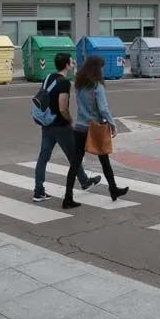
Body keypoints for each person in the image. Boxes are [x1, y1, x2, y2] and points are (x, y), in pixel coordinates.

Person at [32, 52, 100, 202]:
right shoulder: (64, 83)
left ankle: (38, 190)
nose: (73, 63)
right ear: (67, 65)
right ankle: (84, 182)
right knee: (74, 156)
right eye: (72, 61)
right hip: (61, 126)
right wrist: (70, 121)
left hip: (47, 124)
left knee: (43, 157)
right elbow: (63, 107)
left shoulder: (49, 77)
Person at [63, 55, 129, 209]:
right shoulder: (96, 86)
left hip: (79, 127)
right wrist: (112, 124)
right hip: (94, 128)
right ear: (97, 69)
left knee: (75, 164)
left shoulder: (79, 84)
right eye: (101, 68)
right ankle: (113, 189)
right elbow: (103, 108)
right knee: (104, 161)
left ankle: (68, 197)